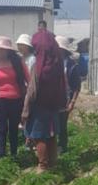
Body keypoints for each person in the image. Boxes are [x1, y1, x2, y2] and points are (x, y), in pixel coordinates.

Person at [22, 21, 66, 173]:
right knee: (51, 134)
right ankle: (53, 162)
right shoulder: (57, 63)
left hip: (39, 105)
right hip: (53, 104)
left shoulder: (39, 64)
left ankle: (43, 165)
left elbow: (32, 89)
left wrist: (25, 110)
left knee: (38, 135)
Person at [55, 36, 82, 154]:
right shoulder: (51, 62)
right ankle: (52, 147)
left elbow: (76, 86)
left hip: (65, 99)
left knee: (62, 125)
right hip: (52, 98)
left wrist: (72, 102)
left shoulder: (71, 65)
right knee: (52, 124)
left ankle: (62, 147)